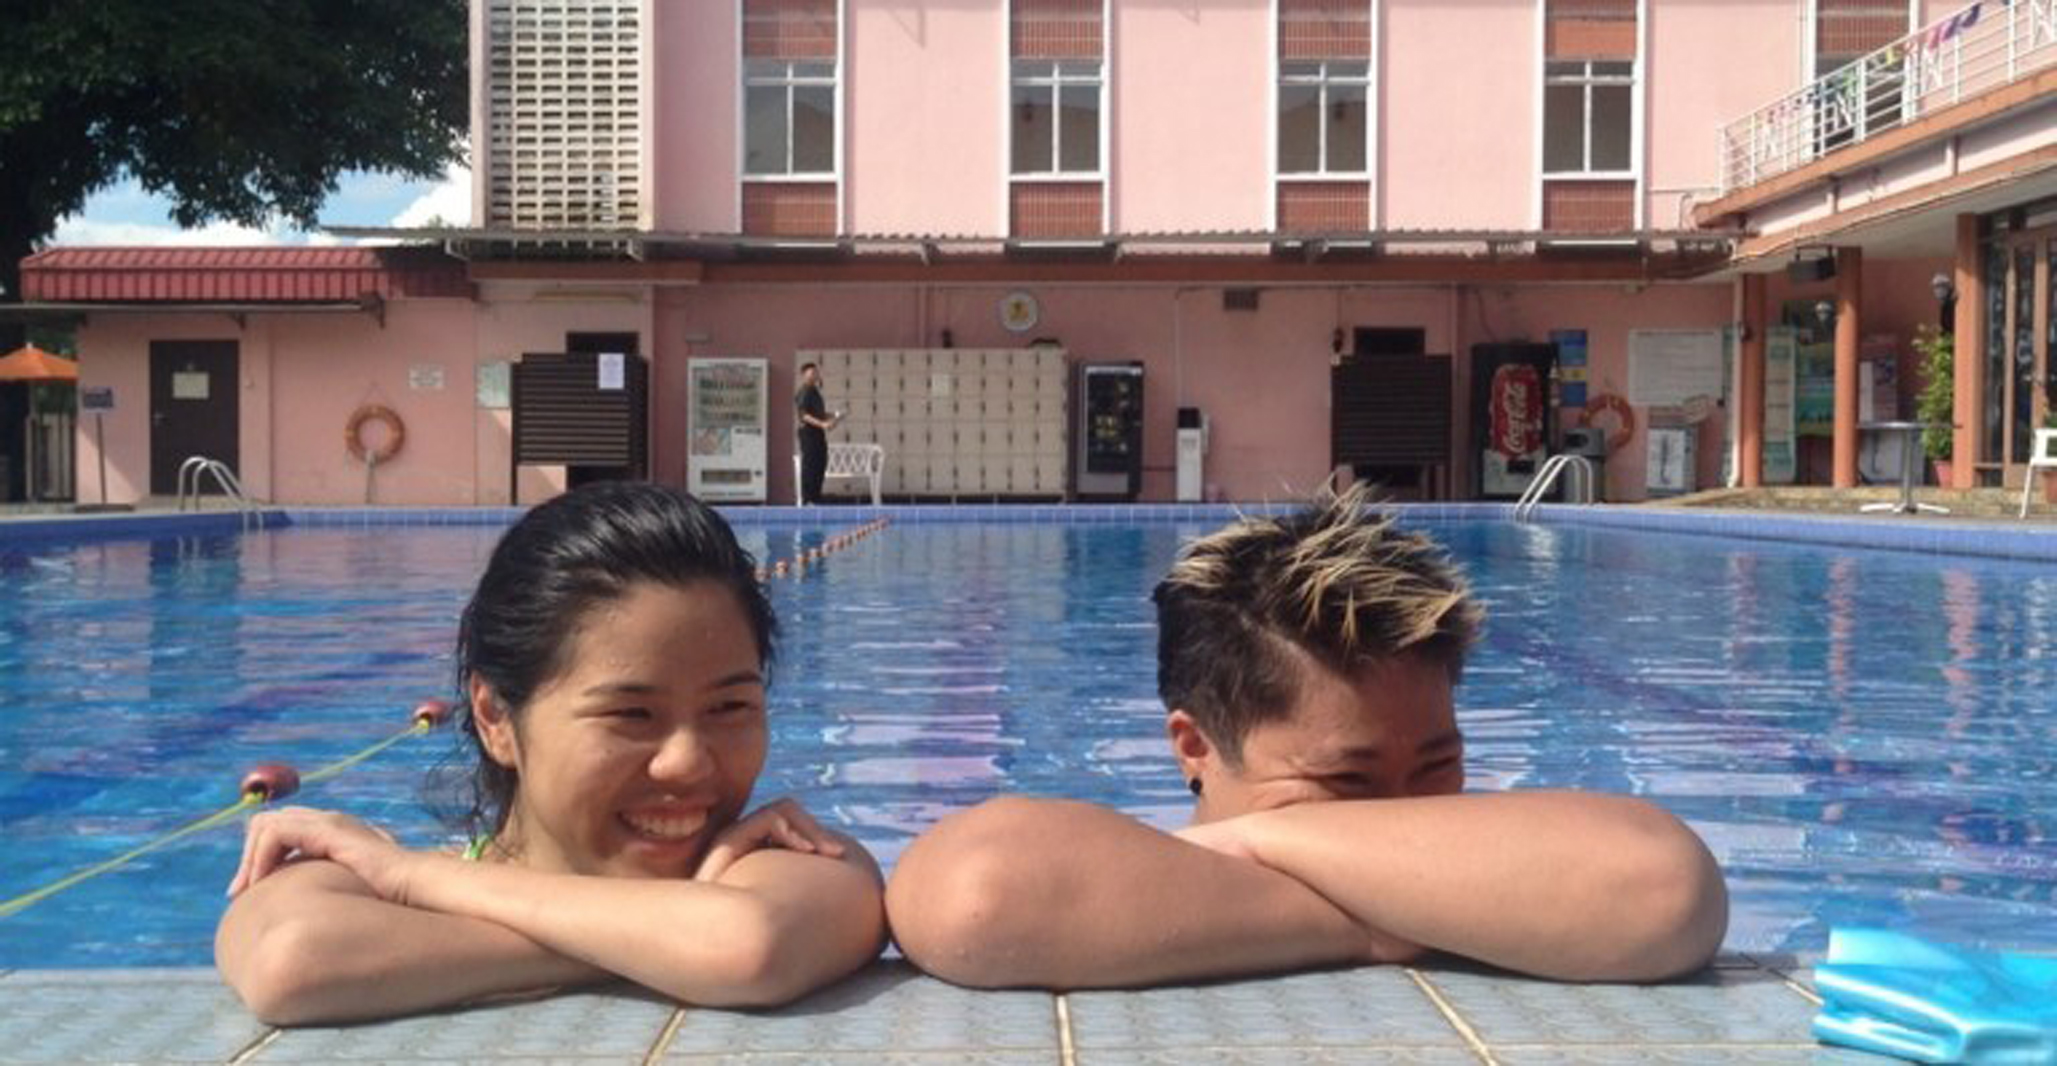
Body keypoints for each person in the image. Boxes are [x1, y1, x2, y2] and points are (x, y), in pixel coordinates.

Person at [886, 485, 1728, 989]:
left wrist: (1257, 838)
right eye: (1347, 785)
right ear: (1194, 748)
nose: (1403, 819)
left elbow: (1666, 887)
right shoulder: (1122, 887)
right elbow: (973, 891)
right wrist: (1377, 923)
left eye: (1438, 768)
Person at [216, 482, 886, 1024]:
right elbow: (291, 960)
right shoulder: (366, 884)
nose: (687, 762)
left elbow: (747, 946)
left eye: (730, 707)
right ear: (494, 717)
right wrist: (668, 938)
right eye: (631, 714)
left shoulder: (784, 863)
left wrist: (423, 883)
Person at [794, 362, 842, 505]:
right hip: (808, 434)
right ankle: (807, 499)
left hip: (818, 434)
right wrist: (822, 424)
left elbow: (818, 413)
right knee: (810, 465)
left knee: (820, 463)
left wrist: (834, 415)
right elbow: (804, 415)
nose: (815, 375)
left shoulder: (815, 391)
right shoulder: (804, 392)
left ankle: (816, 496)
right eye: (811, 372)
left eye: (816, 372)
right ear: (804, 375)